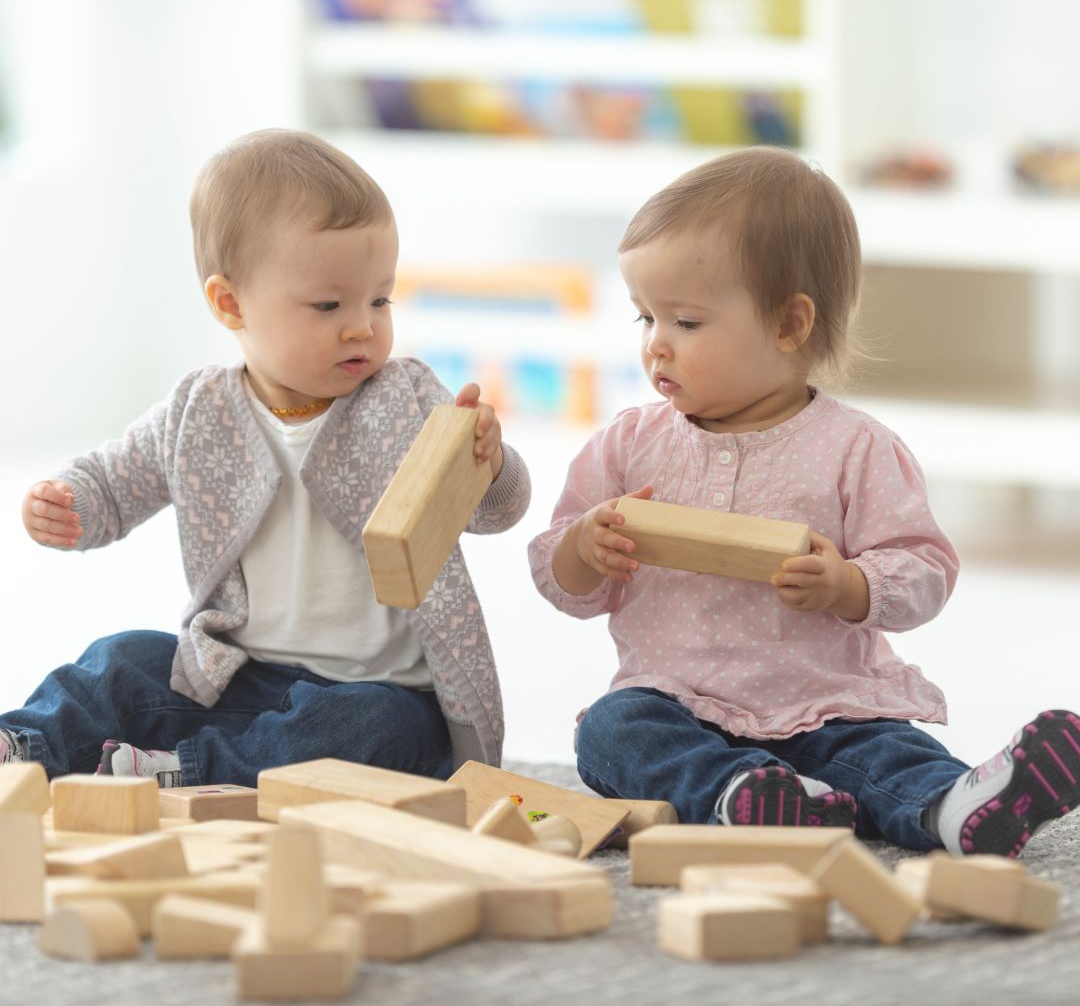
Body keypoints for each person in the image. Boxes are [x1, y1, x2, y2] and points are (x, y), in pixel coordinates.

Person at [528, 146, 1079, 857]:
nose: (657, 347)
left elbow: (925, 572)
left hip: (826, 706)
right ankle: (744, 796)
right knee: (611, 732)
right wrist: (583, 550)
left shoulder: (857, 448)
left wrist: (851, 585)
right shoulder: (629, 445)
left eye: (686, 323)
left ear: (790, 325)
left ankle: (954, 808)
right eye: (645, 320)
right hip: (677, 703)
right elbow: (556, 574)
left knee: (883, 753)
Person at [5, 129, 530, 788]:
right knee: (119, 661)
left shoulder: (406, 398)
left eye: (379, 299)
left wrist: (491, 460)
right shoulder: (199, 410)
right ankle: (23, 742)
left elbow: (492, 512)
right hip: (237, 678)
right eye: (329, 305)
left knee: (382, 734)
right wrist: (67, 505)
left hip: (375, 690)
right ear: (230, 303)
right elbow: (112, 484)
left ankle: (185, 770)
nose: (363, 326)